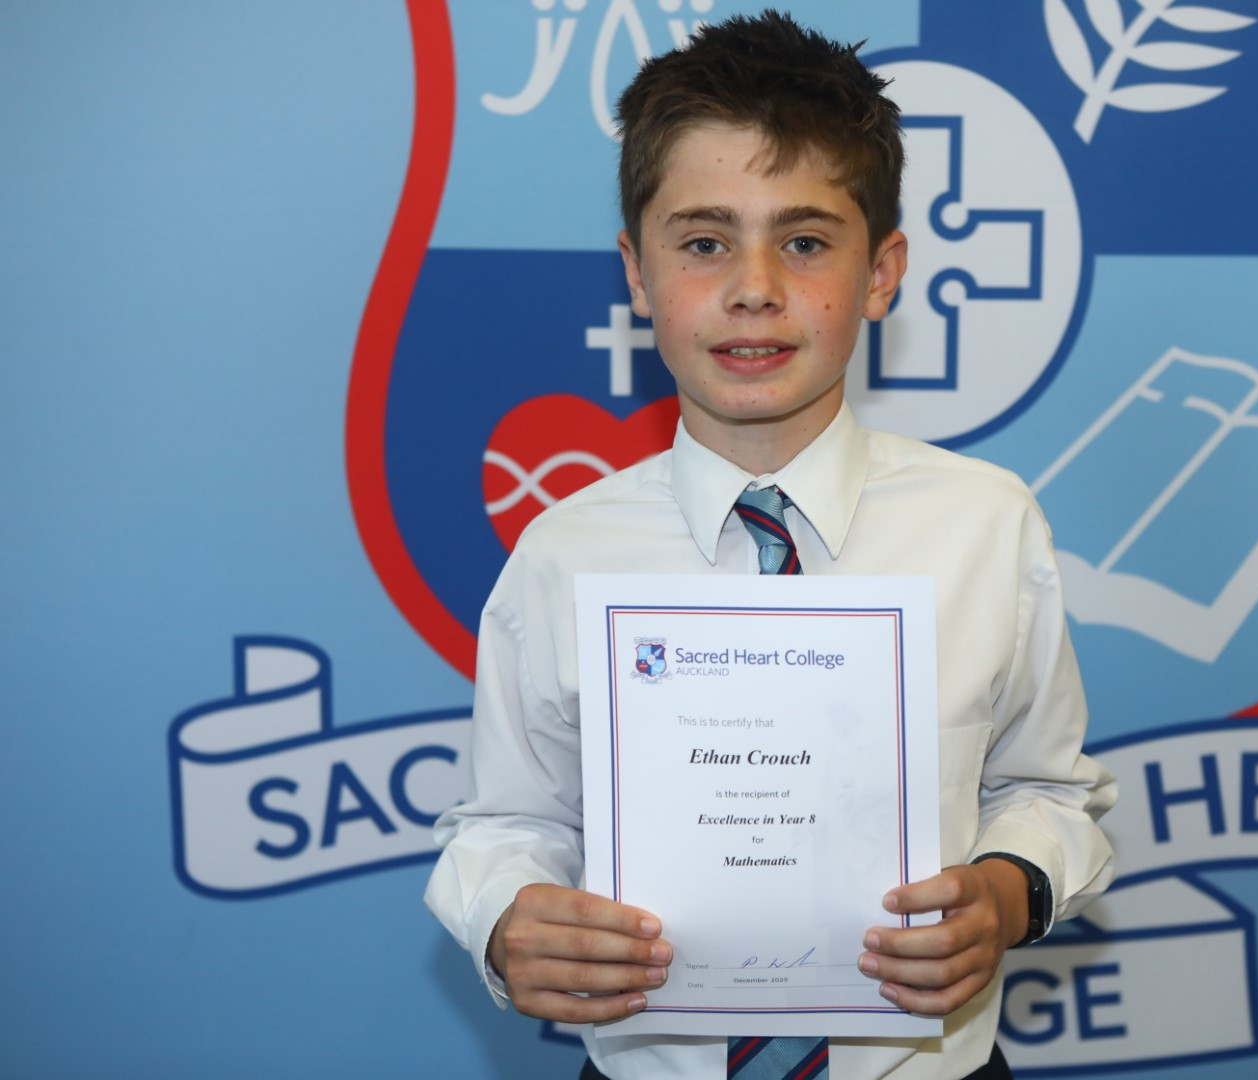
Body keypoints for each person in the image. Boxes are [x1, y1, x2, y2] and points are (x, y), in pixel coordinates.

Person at [426, 10, 1115, 1079]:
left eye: (804, 241)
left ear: (881, 272)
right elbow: (510, 819)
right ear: (638, 273)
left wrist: (1010, 889)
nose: (754, 287)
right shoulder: (564, 553)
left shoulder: (986, 523)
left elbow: (1051, 792)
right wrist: (507, 917)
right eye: (704, 242)